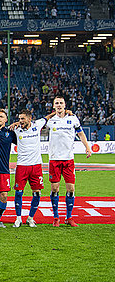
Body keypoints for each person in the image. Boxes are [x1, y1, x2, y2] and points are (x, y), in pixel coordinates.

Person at [46, 96, 92, 227]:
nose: (59, 105)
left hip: (68, 160)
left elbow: (81, 133)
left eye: (61, 103)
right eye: (56, 103)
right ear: (53, 106)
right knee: (55, 188)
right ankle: (56, 217)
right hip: (54, 160)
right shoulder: (50, 121)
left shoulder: (73, 119)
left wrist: (87, 147)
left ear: (65, 105)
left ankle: (69, 217)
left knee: (71, 188)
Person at [8, 109, 55, 228]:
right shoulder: (16, 129)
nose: (20, 121)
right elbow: (5, 129)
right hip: (22, 166)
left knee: (37, 193)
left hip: (36, 165)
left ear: (29, 118)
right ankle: (18, 218)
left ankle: (30, 218)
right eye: (19, 119)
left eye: (23, 119)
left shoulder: (37, 125)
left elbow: (47, 117)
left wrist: (63, 112)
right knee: (18, 192)